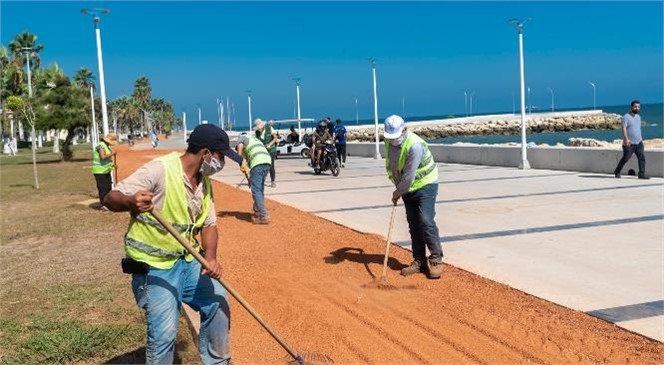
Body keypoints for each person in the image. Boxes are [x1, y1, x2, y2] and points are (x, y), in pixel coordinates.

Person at [104, 124, 242, 364]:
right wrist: (130, 202)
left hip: (188, 262)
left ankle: (218, 361)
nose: (222, 163)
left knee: (218, 302)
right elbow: (110, 198)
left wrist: (211, 257)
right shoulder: (161, 170)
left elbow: (209, 224)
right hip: (155, 268)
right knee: (165, 333)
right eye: (221, 157)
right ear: (206, 153)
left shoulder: (204, 183)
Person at [383, 114, 444, 280]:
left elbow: (409, 177)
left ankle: (436, 259)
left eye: (395, 137)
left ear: (404, 130)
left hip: (426, 184)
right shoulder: (389, 141)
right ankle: (419, 261)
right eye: (391, 137)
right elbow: (392, 166)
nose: (393, 140)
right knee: (413, 224)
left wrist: (397, 192)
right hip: (406, 189)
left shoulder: (415, 146)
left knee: (425, 219)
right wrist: (398, 188)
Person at [235, 133, 272, 224]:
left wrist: (239, 160)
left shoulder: (242, 138)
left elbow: (240, 152)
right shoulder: (254, 140)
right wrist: (250, 178)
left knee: (256, 190)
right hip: (267, 161)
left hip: (258, 162)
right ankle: (257, 210)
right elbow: (251, 166)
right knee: (260, 189)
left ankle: (263, 215)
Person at [614, 100, 649, 179]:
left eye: (638, 107)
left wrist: (640, 139)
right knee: (626, 158)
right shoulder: (626, 117)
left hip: (639, 142)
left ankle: (641, 174)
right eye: (635, 107)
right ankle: (617, 171)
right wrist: (626, 139)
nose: (637, 108)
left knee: (642, 158)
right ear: (631, 107)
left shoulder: (639, 117)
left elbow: (637, 129)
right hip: (629, 143)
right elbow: (623, 128)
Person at [92, 133, 118, 209]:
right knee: (103, 188)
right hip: (99, 171)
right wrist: (112, 154)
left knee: (108, 187)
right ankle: (103, 204)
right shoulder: (101, 145)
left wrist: (112, 165)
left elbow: (107, 160)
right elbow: (103, 157)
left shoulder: (107, 146)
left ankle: (108, 202)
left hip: (106, 170)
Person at [254, 118, 278, 187]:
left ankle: (273, 181)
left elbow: (275, 138)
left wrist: (270, 144)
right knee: (263, 165)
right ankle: (262, 180)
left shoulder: (269, 128)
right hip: (263, 151)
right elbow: (257, 141)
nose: (259, 129)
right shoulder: (257, 132)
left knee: (271, 166)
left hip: (271, 150)